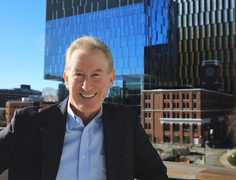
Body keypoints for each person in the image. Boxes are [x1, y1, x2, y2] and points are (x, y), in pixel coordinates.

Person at [0, 36, 168, 180]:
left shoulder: (126, 122)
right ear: (66, 79)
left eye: (96, 74)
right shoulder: (26, 123)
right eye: (78, 75)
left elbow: (154, 173)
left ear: (110, 79)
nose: (87, 86)